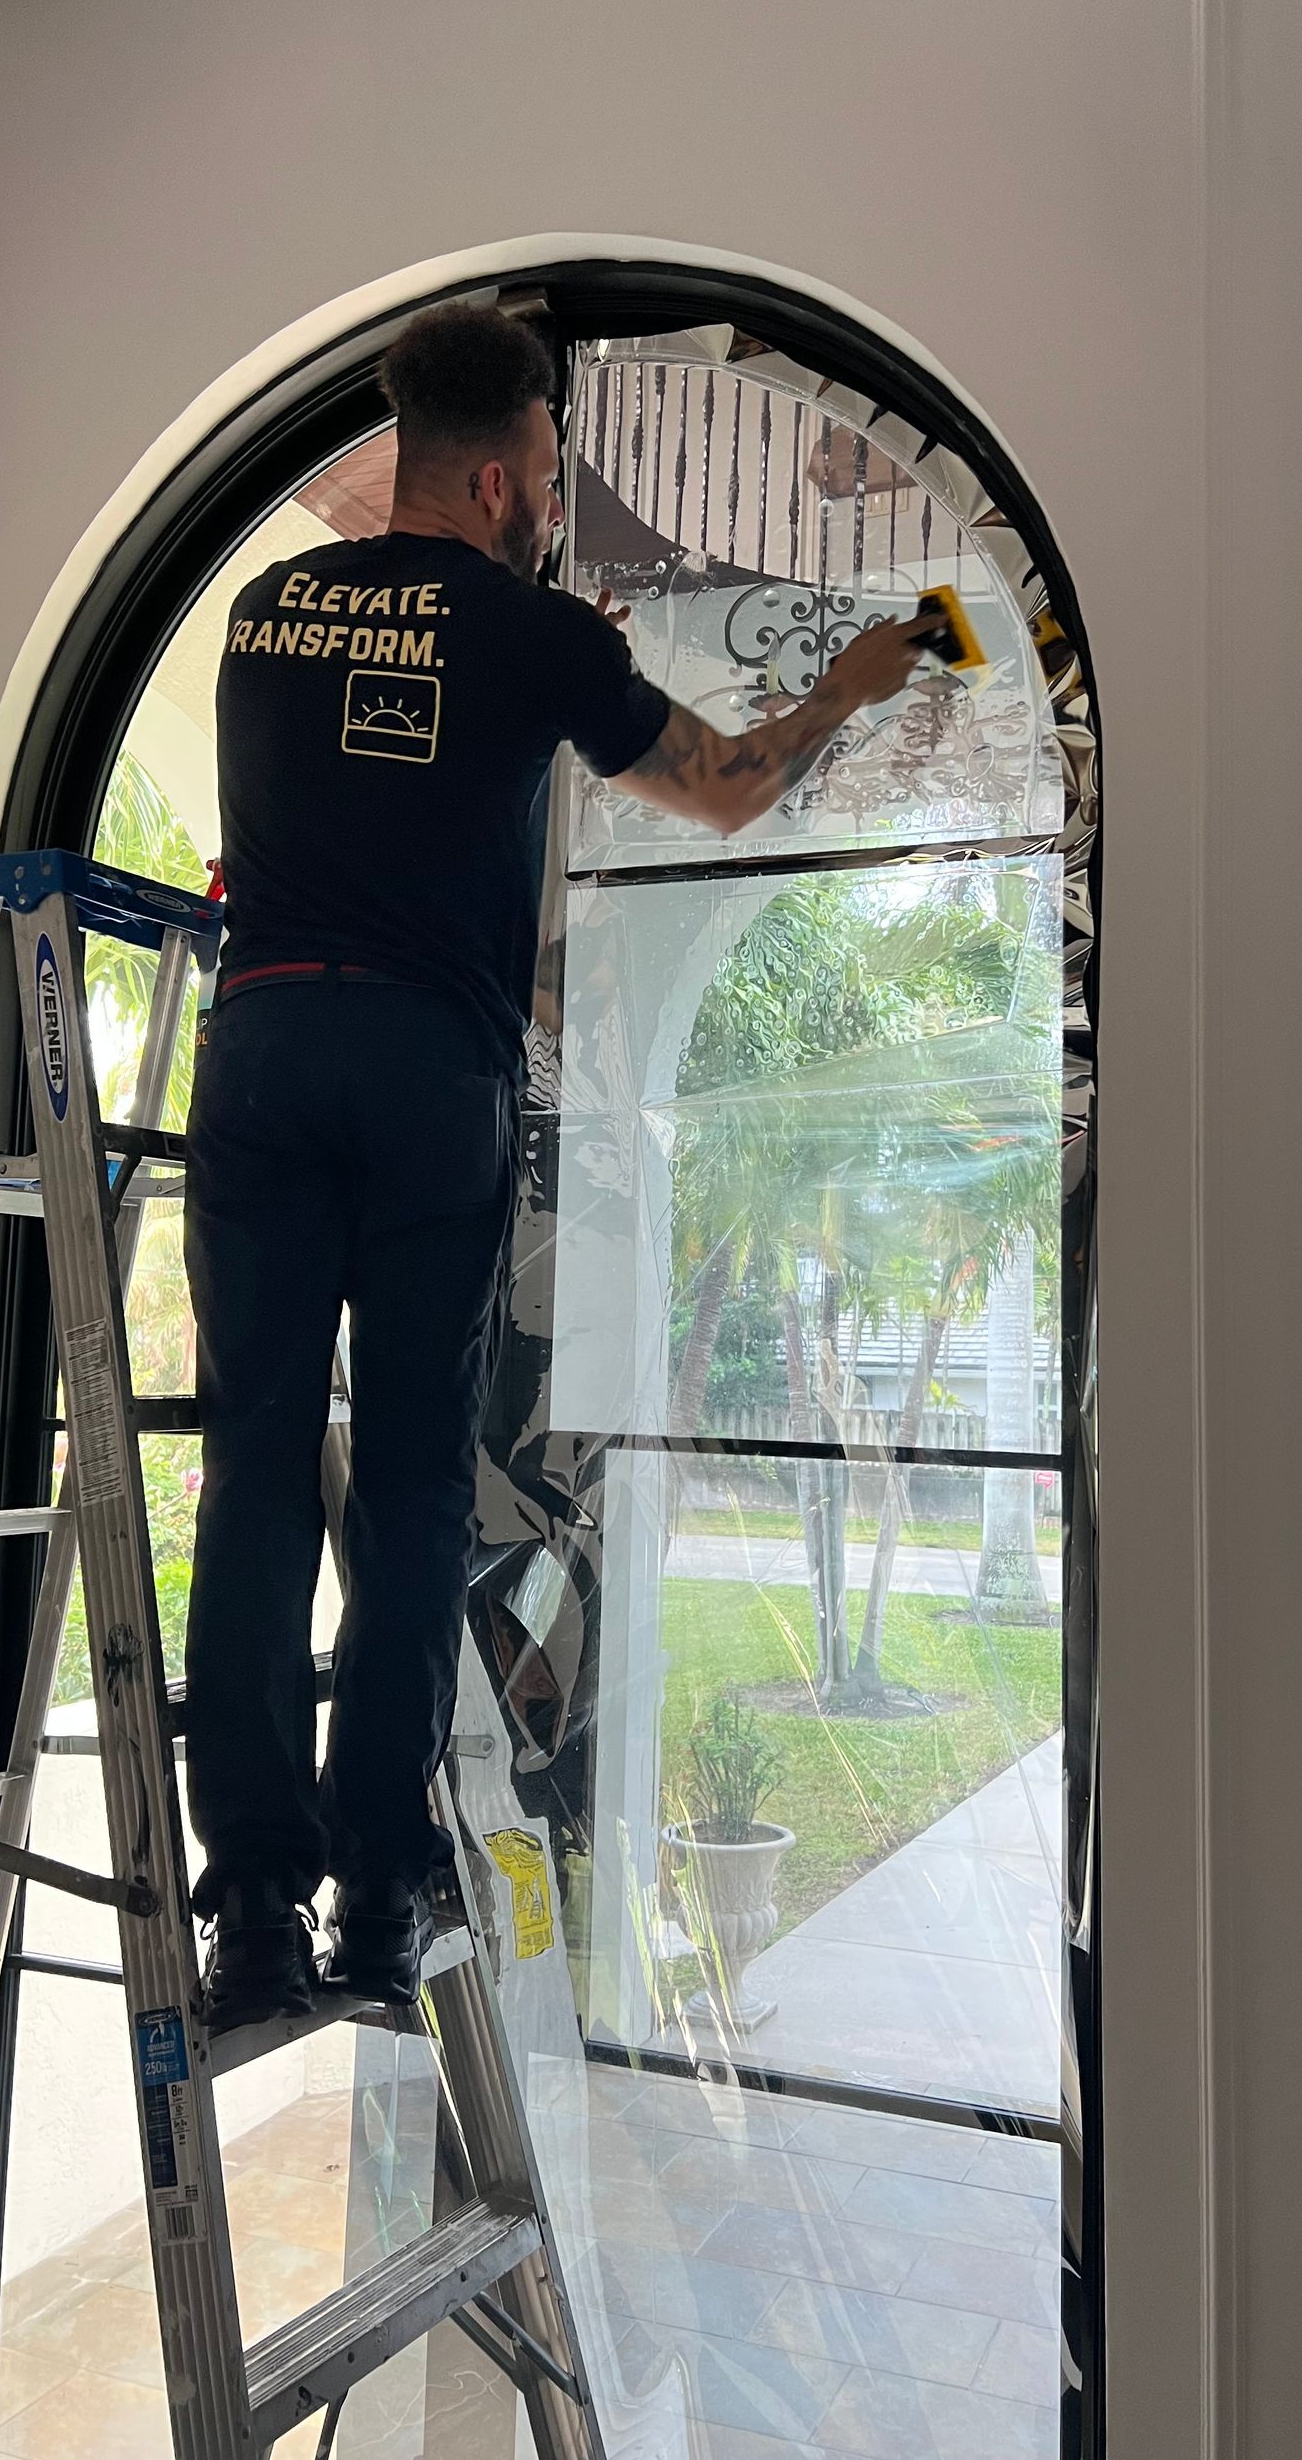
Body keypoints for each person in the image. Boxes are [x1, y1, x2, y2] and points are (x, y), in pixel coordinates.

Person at [184, 302, 936, 2031]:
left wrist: (516, 663)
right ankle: (377, 1901)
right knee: (417, 1486)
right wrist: (853, 677)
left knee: (253, 1482)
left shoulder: (261, 609)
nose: (553, 504)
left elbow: (376, 752)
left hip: (269, 1052)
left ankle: (251, 1919)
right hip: (428, 1080)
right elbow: (730, 790)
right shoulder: (532, 639)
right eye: (552, 476)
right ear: (512, 467)